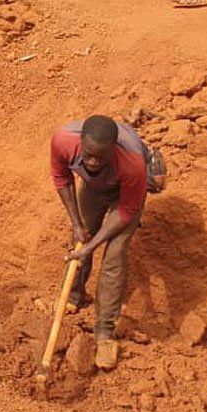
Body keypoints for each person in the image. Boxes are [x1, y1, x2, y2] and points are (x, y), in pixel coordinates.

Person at [50, 115, 162, 371]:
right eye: (88, 154)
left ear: (112, 150)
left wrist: (93, 245)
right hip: (95, 186)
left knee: (114, 254)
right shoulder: (62, 141)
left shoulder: (132, 163)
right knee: (79, 237)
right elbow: (61, 179)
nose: (91, 161)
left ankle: (104, 333)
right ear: (81, 143)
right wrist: (77, 223)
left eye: (100, 158)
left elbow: (126, 211)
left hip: (126, 195)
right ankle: (73, 297)